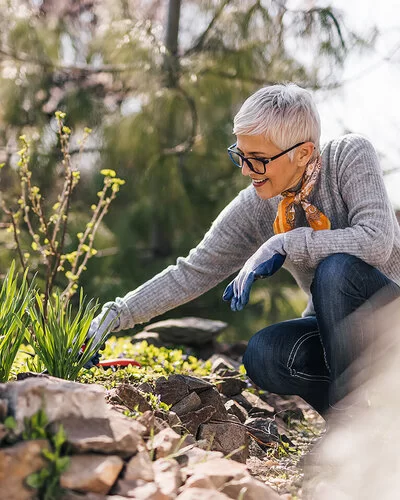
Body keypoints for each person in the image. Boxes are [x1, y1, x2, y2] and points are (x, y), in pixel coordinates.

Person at [84, 83, 400, 415]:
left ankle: (354, 435)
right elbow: (192, 272)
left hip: (391, 321)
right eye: (241, 155)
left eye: (259, 160)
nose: (247, 171)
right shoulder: (258, 204)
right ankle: (358, 427)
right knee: (264, 354)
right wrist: (111, 317)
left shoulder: (349, 156)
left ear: (303, 152)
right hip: (341, 342)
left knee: (335, 270)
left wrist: (285, 242)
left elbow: (375, 240)